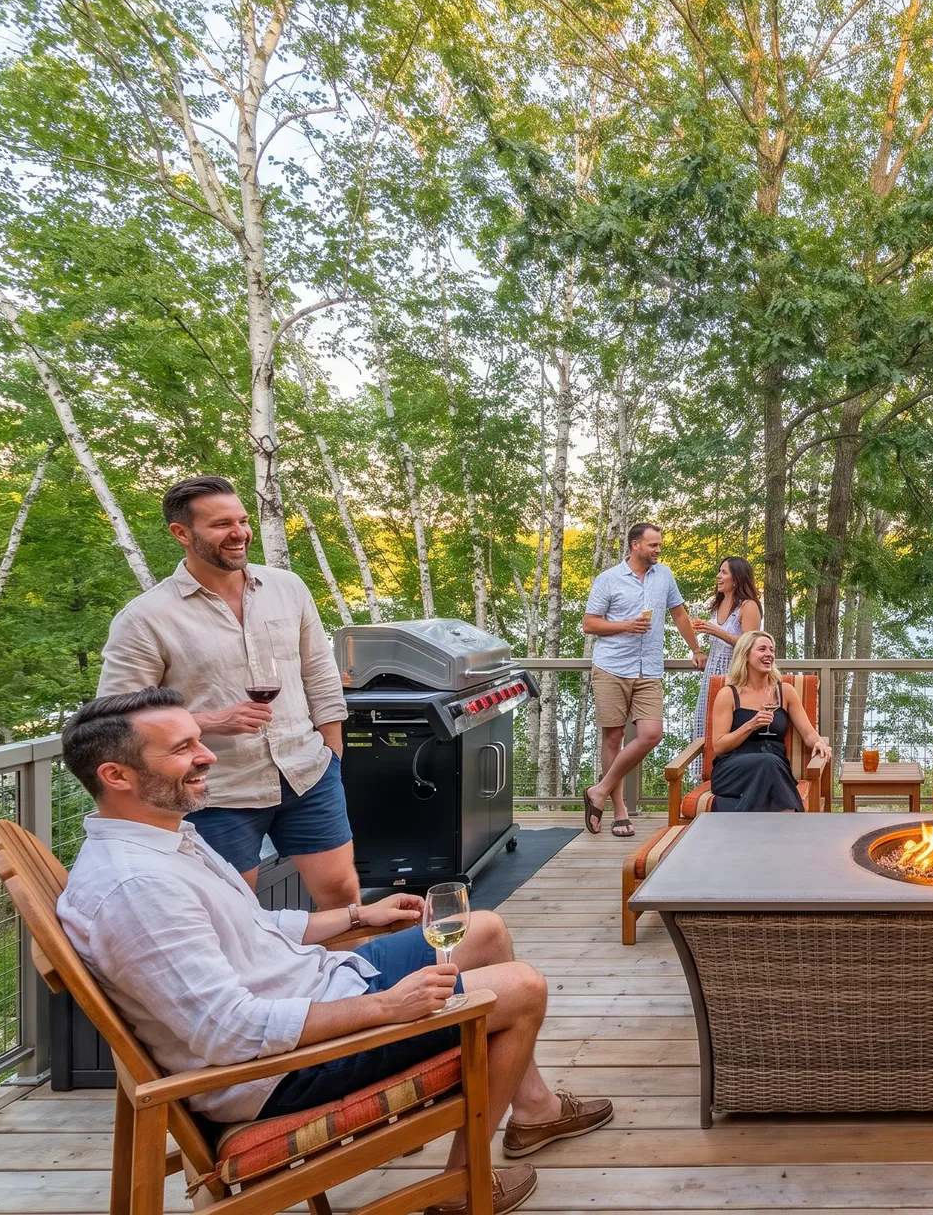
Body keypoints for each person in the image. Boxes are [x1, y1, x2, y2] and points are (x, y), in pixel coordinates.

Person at [56, 688, 613, 1214]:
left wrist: (355, 915)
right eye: (183, 748)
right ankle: (463, 1188)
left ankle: (533, 1110)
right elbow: (227, 1033)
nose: (209, 756)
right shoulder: (137, 887)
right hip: (279, 1071)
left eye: (198, 740)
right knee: (521, 988)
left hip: (317, 988)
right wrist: (384, 1009)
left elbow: (252, 926)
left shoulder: (165, 837)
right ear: (116, 775)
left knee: (481, 929)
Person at [95, 476, 359, 908]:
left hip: (308, 773)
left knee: (343, 897)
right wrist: (212, 722)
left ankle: (356, 978)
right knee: (233, 913)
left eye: (242, 520)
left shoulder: (288, 589)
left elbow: (320, 673)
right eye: (221, 524)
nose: (239, 533)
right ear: (182, 533)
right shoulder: (145, 618)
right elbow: (115, 718)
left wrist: (332, 750)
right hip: (216, 791)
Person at [581, 522, 704, 838]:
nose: (658, 550)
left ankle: (599, 790)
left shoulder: (664, 576)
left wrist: (695, 649)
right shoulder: (608, 579)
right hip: (611, 667)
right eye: (653, 545)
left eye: (659, 545)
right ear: (635, 545)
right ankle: (619, 810)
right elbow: (590, 624)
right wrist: (625, 626)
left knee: (651, 734)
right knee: (613, 737)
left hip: (648, 670)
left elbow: (679, 614)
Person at [705, 631, 828, 812]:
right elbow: (720, 747)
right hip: (734, 770)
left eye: (771, 650)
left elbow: (808, 733)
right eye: (762, 649)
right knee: (768, 763)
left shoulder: (785, 691)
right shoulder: (729, 694)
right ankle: (791, 821)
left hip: (775, 769)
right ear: (745, 655)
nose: (769, 654)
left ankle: (732, 818)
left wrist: (819, 743)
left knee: (770, 763)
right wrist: (750, 725)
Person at [688, 557, 763, 783]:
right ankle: (706, 780)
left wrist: (714, 630)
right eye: (719, 572)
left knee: (731, 727)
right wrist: (700, 655)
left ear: (737, 578)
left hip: (736, 678)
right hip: (712, 676)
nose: (718, 577)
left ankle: (734, 778)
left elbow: (750, 644)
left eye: (724, 573)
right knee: (705, 725)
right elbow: (719, 646)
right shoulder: (717, 604)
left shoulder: (748, 606)